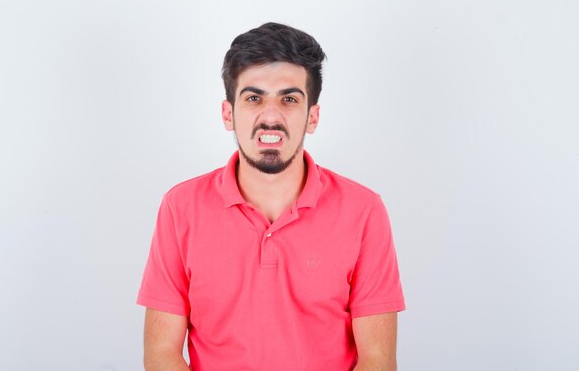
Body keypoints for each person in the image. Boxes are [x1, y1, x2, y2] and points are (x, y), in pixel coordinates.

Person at [137, 22, 405, 371]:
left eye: (289, 99)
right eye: (253, 98)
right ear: (228, 113)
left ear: (313, 116)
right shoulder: (180, 207)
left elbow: (378, 361)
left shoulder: (364, 210)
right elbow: (161, 354)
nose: (271, 117)